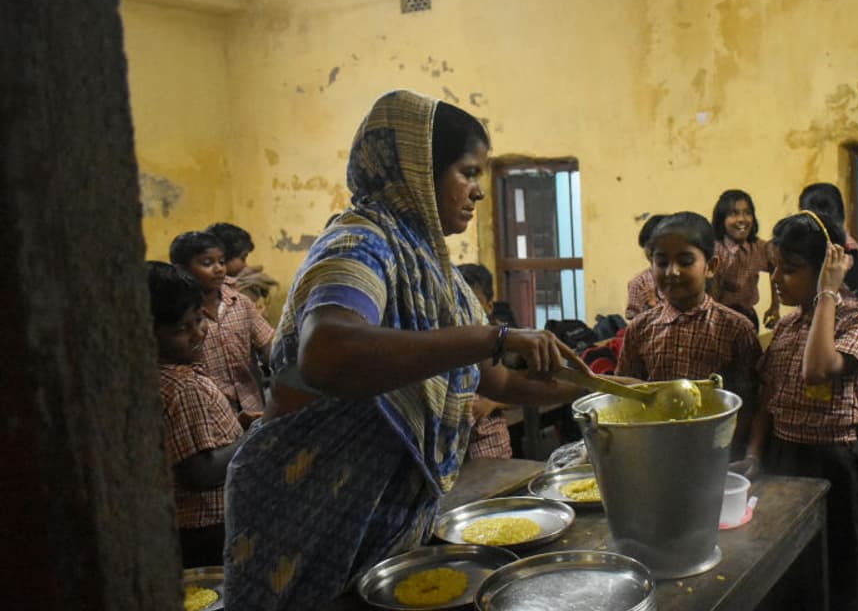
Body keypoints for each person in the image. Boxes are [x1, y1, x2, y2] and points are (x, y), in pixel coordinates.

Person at [222, 90, 587, 609]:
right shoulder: (357, 243)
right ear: (417, 170)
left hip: (382, 520)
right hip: (306, 509)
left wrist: (607, 392)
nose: (478, 192)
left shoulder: (438, 276)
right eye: (468, 172)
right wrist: (496, 336)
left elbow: (496, 380)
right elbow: (328, 352)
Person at [743, 210, 858, 611]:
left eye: (790, 270)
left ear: (825, 269)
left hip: (832, 465)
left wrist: (827, 294)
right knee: (789, 578)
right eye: (775, 268)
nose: (776, 279)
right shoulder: (786, 329)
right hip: (783, 458)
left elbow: (817, 370)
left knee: (840, 578)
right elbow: (767, 401)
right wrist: (753, 454)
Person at [616, 212, 761, 453]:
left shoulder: (736, 329)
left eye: (685, 262)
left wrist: (735, 452)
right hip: (653, 448)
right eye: (662, 263)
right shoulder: (639, 329)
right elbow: (626, 398)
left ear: (711, 266)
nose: (672, 272)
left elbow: (749, 404)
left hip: (716, 451)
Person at [149, 261, 244, 568]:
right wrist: (256, 435)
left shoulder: (156, 376)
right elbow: (200, 472)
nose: (197, 334)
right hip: (209, 525)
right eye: (180, 329)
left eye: (199, 319)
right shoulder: (181, 386)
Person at [170, 231, 273, 425]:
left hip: (255, 410)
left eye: (222, 261)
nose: (218, 269)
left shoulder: (240, 303)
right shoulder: (182, 317)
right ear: (182, 269)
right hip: (211, 419)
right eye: (207, 263)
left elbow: (268, 346)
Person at [459, 262, 512, 460]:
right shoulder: (452, 340)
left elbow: (514, 390)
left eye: (474, 301)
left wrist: (490, 404)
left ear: (489, 306)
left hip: (490, 439)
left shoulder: (502, 338)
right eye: (460, 301)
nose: (466, 309)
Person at [711, 189, 779, 330]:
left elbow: (775, 265)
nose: (742, 219)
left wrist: (775, 306)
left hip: (749, 317)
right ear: (721, 219)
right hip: (720, 319)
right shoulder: (716, 250)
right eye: (733, 214)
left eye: (747, 213)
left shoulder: (758, 247)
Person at [625, 214, 667, 319]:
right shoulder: (639, 283)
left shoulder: (685, 278)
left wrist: (656, 305)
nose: (651, 252)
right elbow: (633, 320)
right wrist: (650, 308)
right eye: (647, 246)